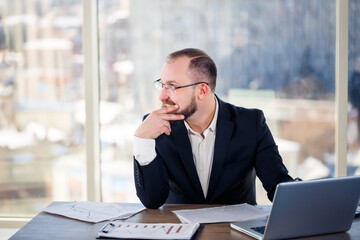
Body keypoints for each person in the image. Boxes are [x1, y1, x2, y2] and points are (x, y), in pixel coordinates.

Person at [133, 48, 294, 209]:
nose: (162, 96)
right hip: (179, 230)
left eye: (172, 86)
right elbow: (152, 201)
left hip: (234, 230)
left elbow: (278, 187)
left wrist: (307, 195)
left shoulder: (251, 123)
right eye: (162, 84)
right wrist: (142, 140)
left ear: (202, 91)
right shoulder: (156, 126)